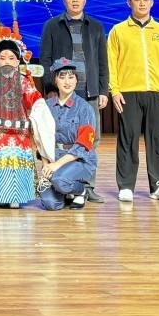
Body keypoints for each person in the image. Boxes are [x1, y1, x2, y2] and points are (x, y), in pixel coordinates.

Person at [38, 0, 109, 204]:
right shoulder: (52, 25)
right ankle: (62, 182)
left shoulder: (96, 27)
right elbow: (45, 60)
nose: (75, 0)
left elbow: (102, 61)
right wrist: (51, 88)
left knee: (90, 139)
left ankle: (86, 187)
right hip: (61, 91)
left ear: (84, 0)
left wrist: (103, 89)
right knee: (59, 137)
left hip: (89, 91)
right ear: (64, 0)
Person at [107, 0, 159, 203]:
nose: (142, 3)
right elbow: (111, 63)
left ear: (152, 2)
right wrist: (114, 90)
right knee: (128, 139)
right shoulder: (118, 31)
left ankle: (158, 186)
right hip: (128, 92)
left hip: (158, 92)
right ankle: (126, 186)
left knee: (156, 139)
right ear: (129, 3)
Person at [0, 31, 55, 209]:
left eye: (11, 58)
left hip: (19, 131)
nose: (7, 62)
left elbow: (35, 98)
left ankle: (16, 196)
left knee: (17, 157)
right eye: (2, 58)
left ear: (17, 61)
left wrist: (37, 109)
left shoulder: (23, 82)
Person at [40, 58, 99, 211]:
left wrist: (56, 165)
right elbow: (41, 139)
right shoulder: (46, 106)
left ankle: (80, 190)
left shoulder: (84, 108)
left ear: (76, 80)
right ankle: (66, 192)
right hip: (53, 157)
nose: (67, 82)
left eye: (71, 77)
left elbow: (83, 144)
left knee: (60, 180)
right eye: (62, 77)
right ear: (55, 80)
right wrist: (46, 165)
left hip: (79, 159)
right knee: (50, 204)